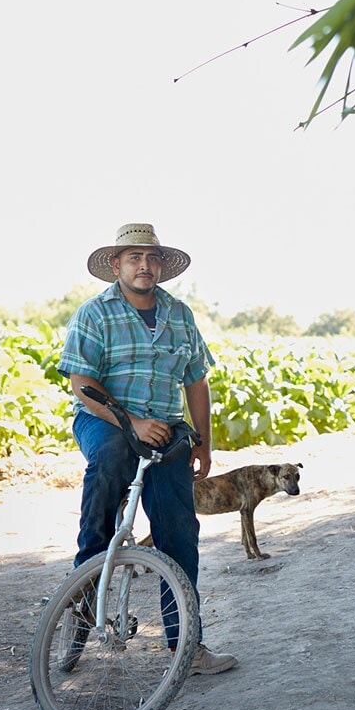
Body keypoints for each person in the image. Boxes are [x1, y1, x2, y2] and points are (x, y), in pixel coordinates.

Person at [58, 223, 236, 676]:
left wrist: (203, 441)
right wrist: (130, 421)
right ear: (116, 266)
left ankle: (186, 646)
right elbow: (82, 382)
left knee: (180, 531)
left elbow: (196, 380)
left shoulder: (179, 315)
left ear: (161, 266)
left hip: (164, 428)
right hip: (106, 419)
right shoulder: (95, 313)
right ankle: (81, 601)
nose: (144, 265)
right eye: (134, 257)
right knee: (112, 459)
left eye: (152, 257)